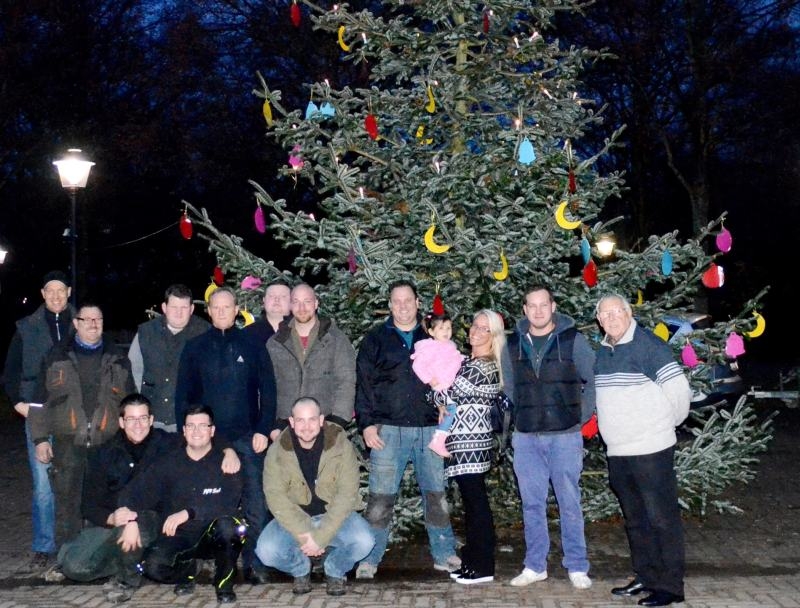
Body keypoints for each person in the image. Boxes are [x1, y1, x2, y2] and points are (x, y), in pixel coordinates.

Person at [56, 393, 240, 603]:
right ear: (121, 422)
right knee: (75, 567)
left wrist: (229, 451)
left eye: (143, 418)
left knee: (139, 529)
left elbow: (202, 434)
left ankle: (127, 580)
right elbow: (88, 505)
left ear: (151, 420)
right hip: (111, 518)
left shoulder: (168, 442)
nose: (138, 425)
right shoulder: (102, 454)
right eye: (131, 419)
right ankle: (124, 560)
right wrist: (113, 518)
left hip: (152, 518)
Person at [354, 279, 460, 579]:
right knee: (380, 498)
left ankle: (444, 553)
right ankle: (370, 558)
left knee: (436, 495)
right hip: (387, 430)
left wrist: (446, 404)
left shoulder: (434, 336)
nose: (402, 306)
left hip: (430, 429)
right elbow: (363, 384)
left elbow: (451, 373)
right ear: (389, 304)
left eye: (407, 300)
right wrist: (366, 425)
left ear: (417, 303)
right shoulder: (376, 339)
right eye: (396, 301)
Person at [175, 286, 277, 584]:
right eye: (215, 307)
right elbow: (184, 397)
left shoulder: (253, 345)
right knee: (204, 500)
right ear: (208, 310)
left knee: (256, 501)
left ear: (237, 310)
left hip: (247, 437)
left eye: (227, 307)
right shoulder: (194, 347)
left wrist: (262, 430)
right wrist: (191, 435)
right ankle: (203, 559)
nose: (221, 312)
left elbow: (268, 391)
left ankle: (255, 562)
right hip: (205, 441)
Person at [594, 293, 691, 607]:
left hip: (651, 449)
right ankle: (646, 576)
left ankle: (670, 586)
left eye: (616, 312)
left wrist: (661, 427)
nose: (611, 319)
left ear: (628, 312)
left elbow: (679, 393)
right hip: (618, 452)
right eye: (604, 315)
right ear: (599, 321)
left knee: (661, 518)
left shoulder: (649, 346)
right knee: (635, 519)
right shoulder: (603, 351)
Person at [500, 285, 596, 590]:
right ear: (525, 310)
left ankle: (577, 565)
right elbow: (509, 388)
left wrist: (580, 418)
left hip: (565, 437)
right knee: (531, 504)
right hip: (527, 437)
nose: (538, 311)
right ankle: (535, 565)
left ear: (553, 306)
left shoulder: (572, 340)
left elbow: (593, 379)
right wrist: (520, 418)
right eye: (532, 306)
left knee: (569, 502)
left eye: (544, 305)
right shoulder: (512, 344)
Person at [29, 301, 135, 559]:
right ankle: (66, 559)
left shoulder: (119, 358)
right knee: (67, 504)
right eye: (86, 319)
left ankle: (99, 558)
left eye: (97, 319)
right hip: (68, 443)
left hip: (106, 443)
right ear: (75, 323)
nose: (93, 324)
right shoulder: (56, 355)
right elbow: (38, 402)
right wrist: (41, 439)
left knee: (103, 503)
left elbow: (130, 401)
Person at [116, 406, 244, 604]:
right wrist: (131, 519)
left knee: (232, 527)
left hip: (214, 534)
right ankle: (188, 571)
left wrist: (189, 512)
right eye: (191, 426)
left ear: (212, 430)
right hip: (180, 536)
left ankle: (224, 584)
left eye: (203, 426)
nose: (196, 431)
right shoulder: (168, 463)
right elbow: (132, 493)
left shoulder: (228, 462)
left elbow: (229, 503)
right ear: (183, 431)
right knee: (151, 567)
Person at [256, 397, 374, 596]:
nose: (306, 427)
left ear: (321, 420)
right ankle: (301, 569)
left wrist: (321, 537)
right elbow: (275, 497)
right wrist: (304, 533)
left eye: (312, 420)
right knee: (266, 551)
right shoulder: (277, 450)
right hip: (295, 518)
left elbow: (346, 494)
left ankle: (334, 569)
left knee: (365, 541)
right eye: (300, 420)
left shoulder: (340, 445)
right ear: (291, 422)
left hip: (334, 517)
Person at [1, 270, 74, 571]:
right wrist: (19, 403)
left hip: (72, 413)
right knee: (43, 484)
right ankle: (44, 545)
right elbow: (11, 370)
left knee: (72, 481)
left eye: (61, 290)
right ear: (43, 294)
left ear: (68, 292)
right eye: (50, 291)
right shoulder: (27, 328)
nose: (56, 296)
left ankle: (74, 542)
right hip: (38, 412)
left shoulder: (80, 323)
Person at [435, 309, 506, 584]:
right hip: (462, 443)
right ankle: (472, 562)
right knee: (472, 504)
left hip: (471, 445)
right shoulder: (467, 362)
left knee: (477, 505)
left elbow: (445, 393)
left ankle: (483, 566)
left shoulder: (482, 366)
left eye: (484, 329)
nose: (475, 331)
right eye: (474, 326)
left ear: (494, 336)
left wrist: (436, 395)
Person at [267, 283, 356, 440]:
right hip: (285, 427)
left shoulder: (336, 340)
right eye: (296, 302)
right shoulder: (275, 343)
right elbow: (266, 386)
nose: (302, 308)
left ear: (316, 304)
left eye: (307, 301)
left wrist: (337, 423)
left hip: (326, 426)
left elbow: (346, 381)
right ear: (290, 305)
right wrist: (273, 425)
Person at [127, 284, 209, 432]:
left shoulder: (205, 334)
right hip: (151, 419)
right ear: (164, 308)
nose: (179, 313)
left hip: (188, 423)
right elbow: (133, 371)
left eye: (184, 308)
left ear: (191, 309)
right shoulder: (146, 333)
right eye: (174, 307)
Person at [410, 312, 465, 457]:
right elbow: (418, 365)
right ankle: (438, 440)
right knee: (453, 409)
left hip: (450, 385)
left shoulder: (450, 346)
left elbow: (455, 360)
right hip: (441, 386)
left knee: (453, 411)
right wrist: (429, 379)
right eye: (441, 328)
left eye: (448, 328)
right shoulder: (429, 347)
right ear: (431, 332)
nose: (446, 331)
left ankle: (444, 438)